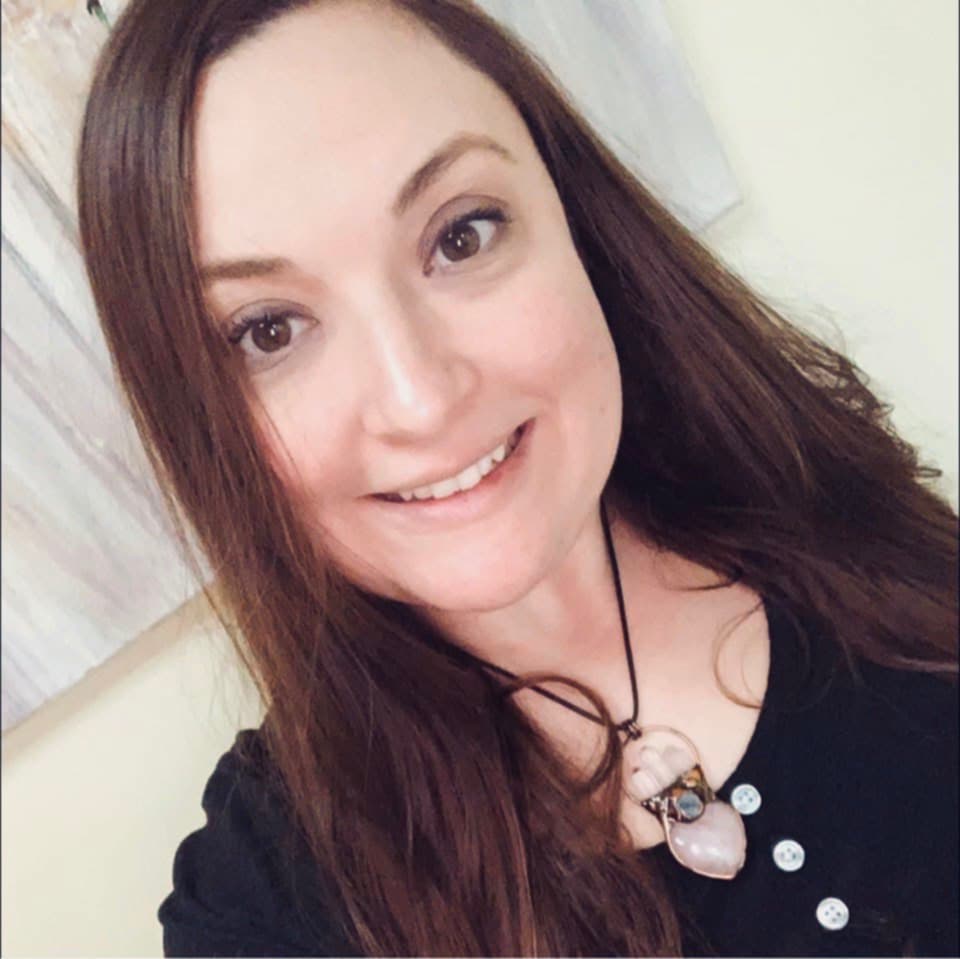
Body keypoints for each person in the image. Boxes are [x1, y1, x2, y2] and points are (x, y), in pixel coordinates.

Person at [76, 0, 957, 955]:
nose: (420, 399)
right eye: (268, 331)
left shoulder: (843, 520)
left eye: (461, 236)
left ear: (574, 218)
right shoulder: (269, 896)